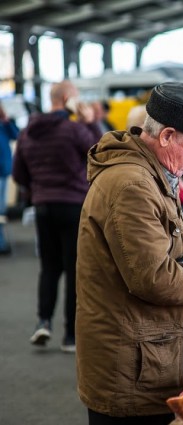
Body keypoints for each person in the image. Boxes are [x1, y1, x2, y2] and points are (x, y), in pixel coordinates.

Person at [75, 82, 183, 425]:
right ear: (167, 135)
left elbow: (164, 239)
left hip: (143, 352)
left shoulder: (150, 171)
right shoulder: (133, 185)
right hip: (129, 365)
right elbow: (155, 278)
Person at [12, 80, 102, 352]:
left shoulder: (28, 132)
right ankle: (70, 337)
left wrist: (38, 189)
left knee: (49, 267)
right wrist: (89, 122)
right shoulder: (74, 130)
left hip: (42, 206)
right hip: (73, 206)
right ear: (66, 98)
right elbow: (101, 154)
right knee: (76, 269)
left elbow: (19, 175)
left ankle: (43, 322)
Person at [0, 103, 19, 255]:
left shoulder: (4, 124)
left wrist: (6, 120)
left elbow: (17, 135)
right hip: (3, 170)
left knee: (1, 209)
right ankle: (1, 242)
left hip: (4, 171)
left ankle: (1, 241)